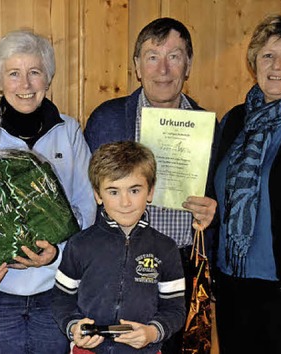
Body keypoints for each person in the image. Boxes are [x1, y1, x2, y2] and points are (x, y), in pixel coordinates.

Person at [0, 29, 97, 354]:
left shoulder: (69, 131)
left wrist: (58, 253)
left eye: (34, 72)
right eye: (14, 74)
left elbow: (86, 207)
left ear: (48, 78)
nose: (26, 85)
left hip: (56, 289)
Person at [83, 17, 217, 354]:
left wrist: (213, 210)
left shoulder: (209, 127)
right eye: (152, 56)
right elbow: (89, 196)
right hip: (118, 266)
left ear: (189, 65)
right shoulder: (108, 119)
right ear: (137, 67)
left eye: (175, 56)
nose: (163, 69)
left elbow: (220, 196)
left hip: (181, 265)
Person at [212, 14, 281, 354]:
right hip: (232, 284)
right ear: (254, 63)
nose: (277, 65)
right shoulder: (234, 120)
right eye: (267, 55)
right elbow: (220, 195)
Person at [51, 141, 186, 354]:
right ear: (97, 194)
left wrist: (152, 333)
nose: (125, 202)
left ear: (150, 191)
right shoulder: (79, 245)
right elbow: (61, 300)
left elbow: (175, 309)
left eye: (134, 190)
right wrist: (74, 327)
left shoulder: (166, 248)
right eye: (113, 192)